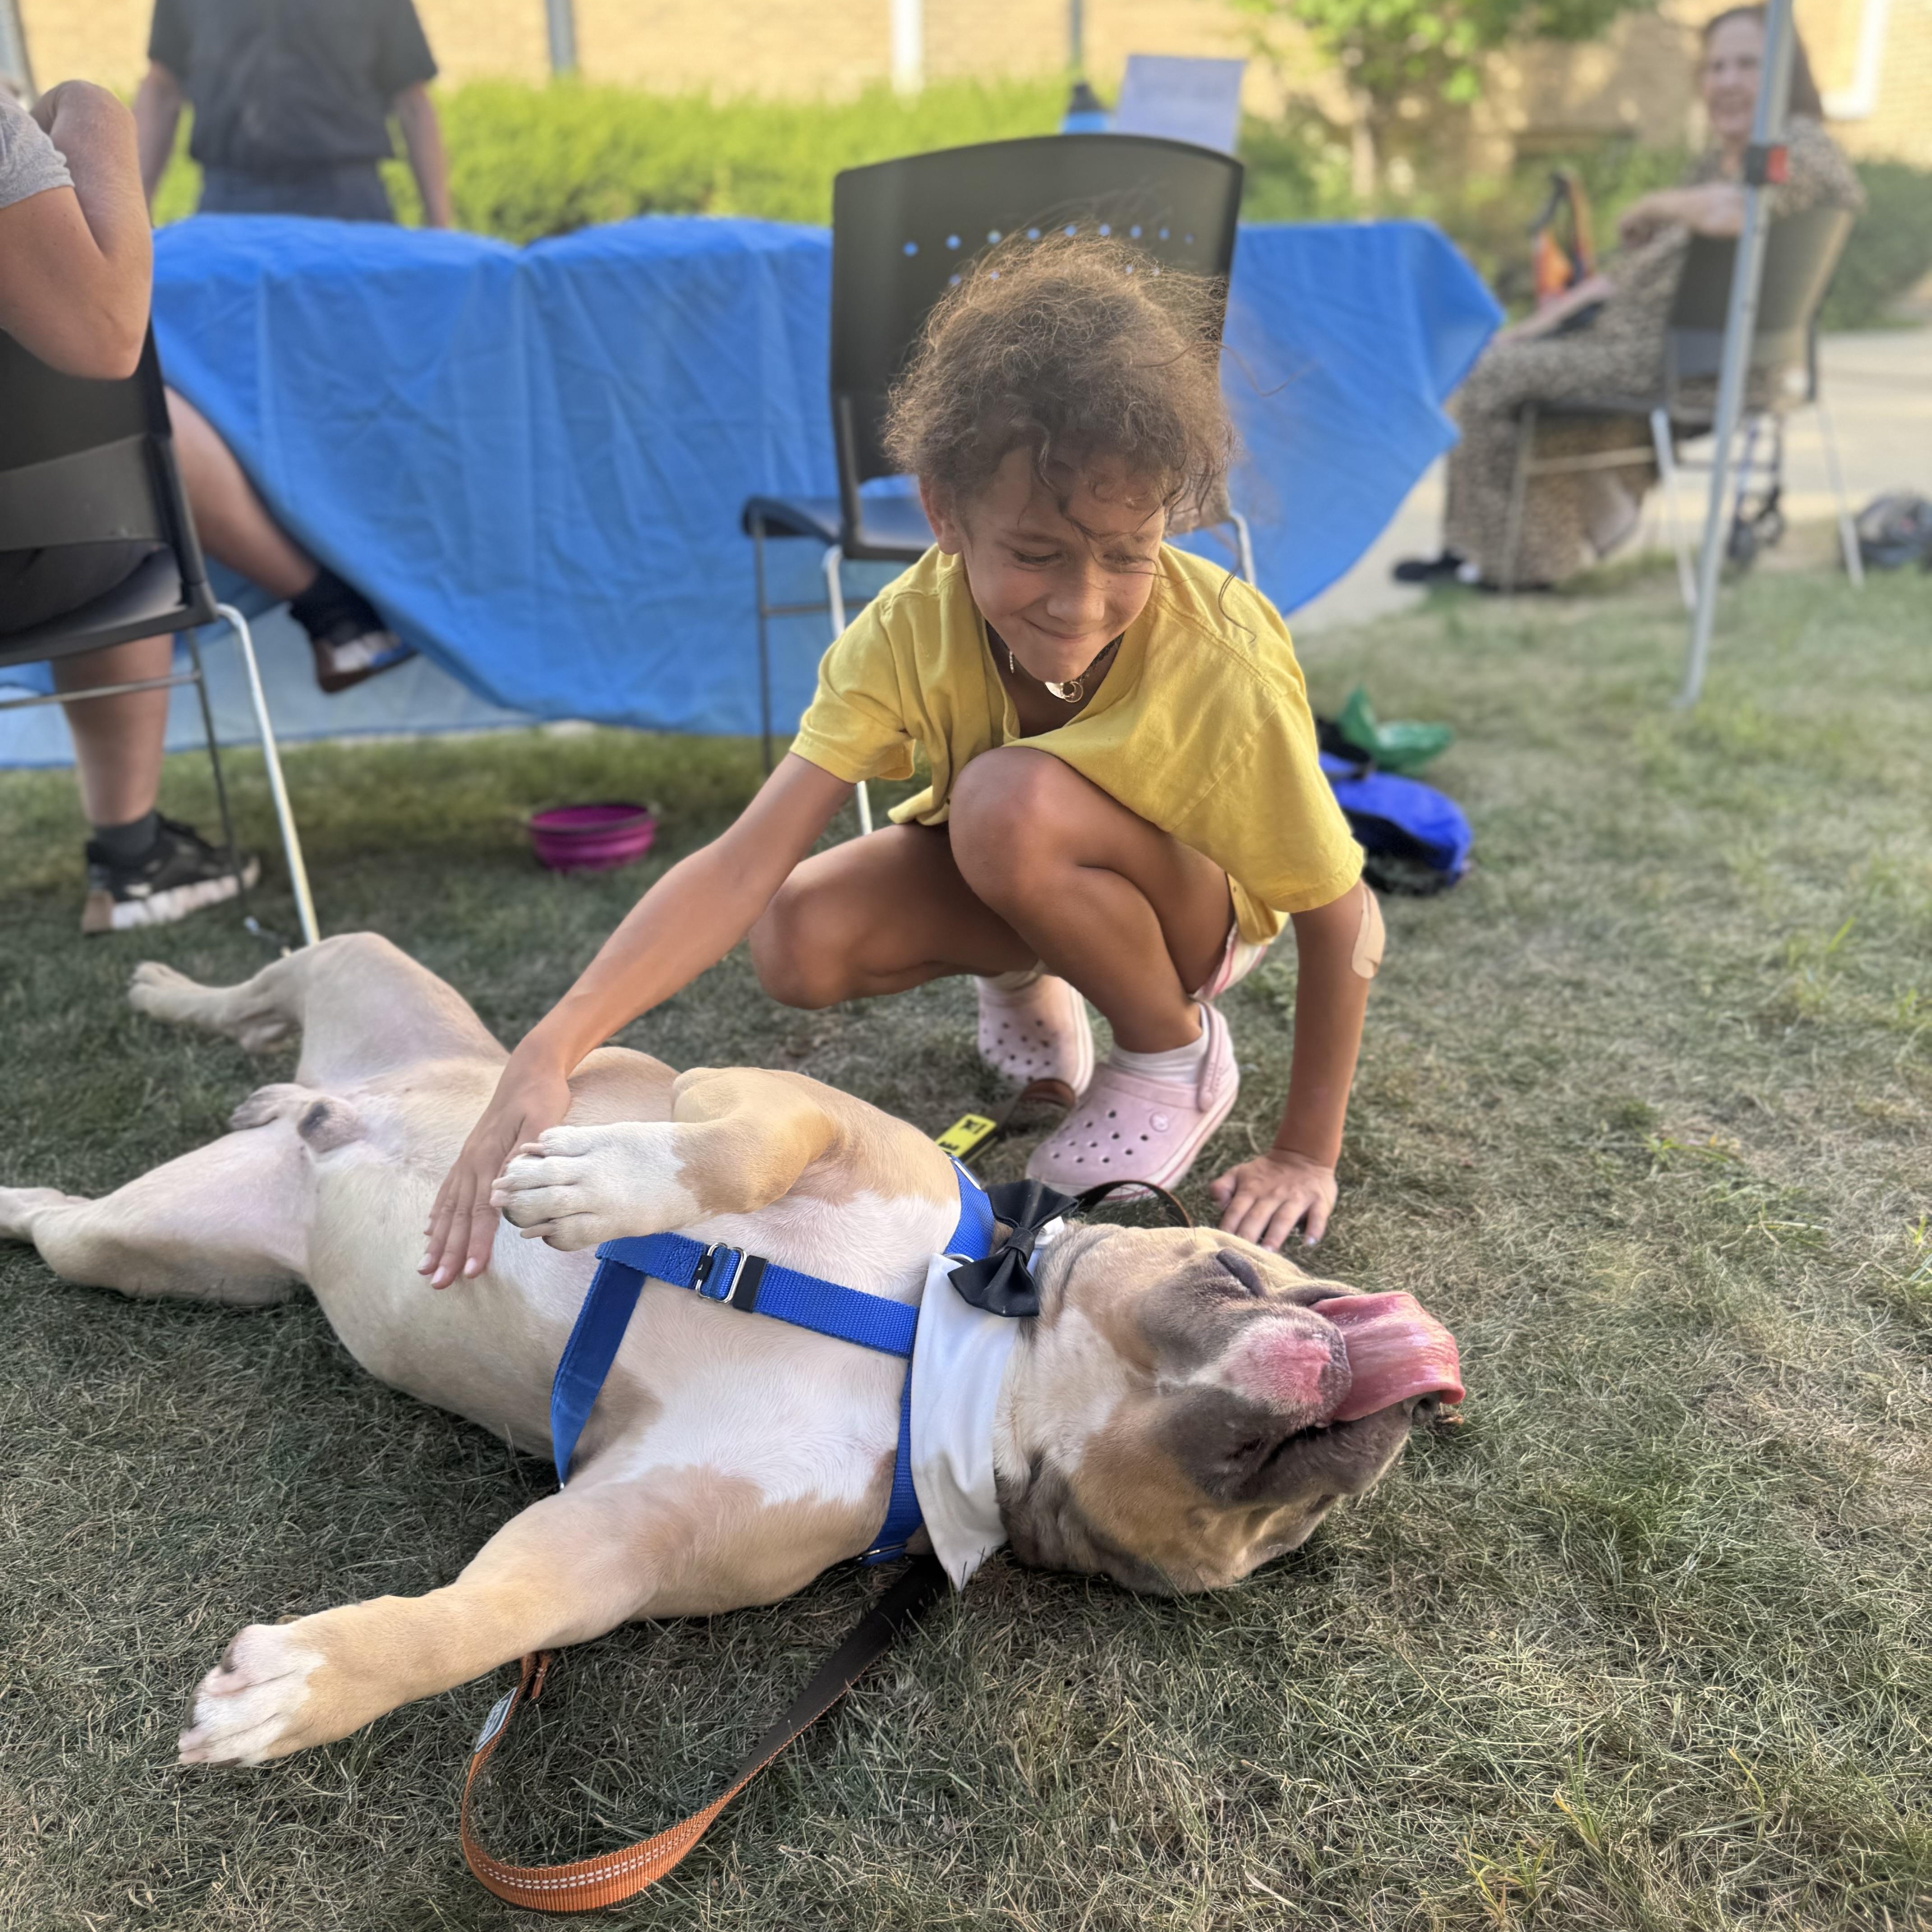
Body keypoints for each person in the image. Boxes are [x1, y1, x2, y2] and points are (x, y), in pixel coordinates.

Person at [420, 239, 1385, 1285]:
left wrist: (1305, 1151)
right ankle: (1031, 976)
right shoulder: (905, 627)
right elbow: (746, 866)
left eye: (1128, 556)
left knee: (1005, 801)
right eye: (1034, 554)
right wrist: (549, 1049)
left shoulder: (1221, 660)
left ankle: (1169, 1053)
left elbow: (1347, 914)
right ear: (943, 513)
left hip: (1189, 917)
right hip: (1015, 853)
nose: (1082, 601)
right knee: (799, 933)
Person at [1394, 7, 1864, 591]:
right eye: (1715, 67)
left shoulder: (1798, 147)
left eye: (1748, 64)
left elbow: (1738, 213)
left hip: (1700, 360)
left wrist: (1653, 205)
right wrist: (1529, 330)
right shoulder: (1713, 166)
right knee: (1494, 361)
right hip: (1644, 347)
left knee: (1491, 377)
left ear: (1786, 72)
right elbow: (1616, 280)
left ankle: (1506, 566)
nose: (1727, 81)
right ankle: (1484, 555)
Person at [132, 0, 452, 228]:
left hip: (348, 201)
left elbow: (412, 103)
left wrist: (440, 225)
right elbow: (162, 89)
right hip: (231, 198)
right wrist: (131, 214)